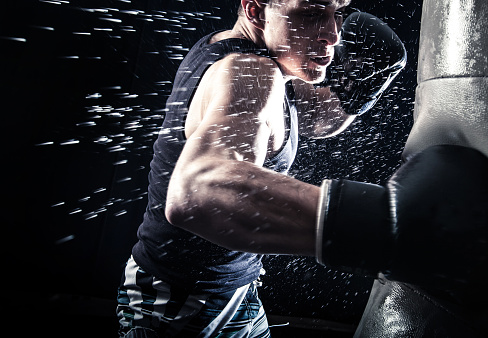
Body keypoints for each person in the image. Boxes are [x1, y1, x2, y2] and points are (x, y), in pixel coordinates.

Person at [117, 0, 410, 336]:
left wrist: (360, 89)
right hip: (183, 300)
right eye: (312, 14)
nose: (333, 34)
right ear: (256, 11)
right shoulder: (248, 71)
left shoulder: (244, 51)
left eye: (338, 12)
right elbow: (199, 192)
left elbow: (313, 118)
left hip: (231, 287)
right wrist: (381, 231)